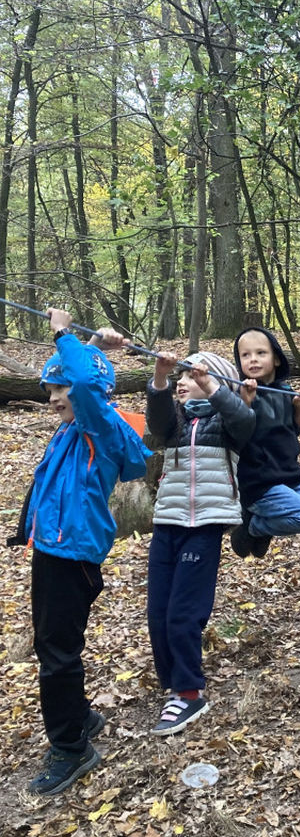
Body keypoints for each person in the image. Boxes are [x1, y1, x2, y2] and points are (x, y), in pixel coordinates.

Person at [9, 309, 151, 795]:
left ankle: (71, 747)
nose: (52, 398)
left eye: (60, 388)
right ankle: (82, 718)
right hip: (53, 550)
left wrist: (66, 334)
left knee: (56, 652)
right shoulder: (75, 430)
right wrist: (94, 349)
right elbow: (49, 487)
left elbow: (90, 390)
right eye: (49, 389)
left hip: (70, 559)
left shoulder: (102, 427)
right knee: (58, 644)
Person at [145, 351, 255, 735]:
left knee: (183, 614)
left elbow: (244, 420)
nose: (182, 382)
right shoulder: (176, 421)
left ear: (214, 383)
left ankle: (190, 694)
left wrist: (211, 384)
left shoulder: (228, 422)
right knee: (158, 613)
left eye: (188, 377)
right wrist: (159, 378)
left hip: (204, 527)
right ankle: (173, 683)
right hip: (167, 523)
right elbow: (156, 422)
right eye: (182, 377)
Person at [230, 327, 300, 558]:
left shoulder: (284, 391)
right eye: (245, 355)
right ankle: (252, 526)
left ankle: (260, 527)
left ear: (277, 359)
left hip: (288, 476)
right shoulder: (240, 393)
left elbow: (290, 432)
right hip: (258, 483)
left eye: (261, 353)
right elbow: (237, 432)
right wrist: (244, 403)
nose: (253, 360)